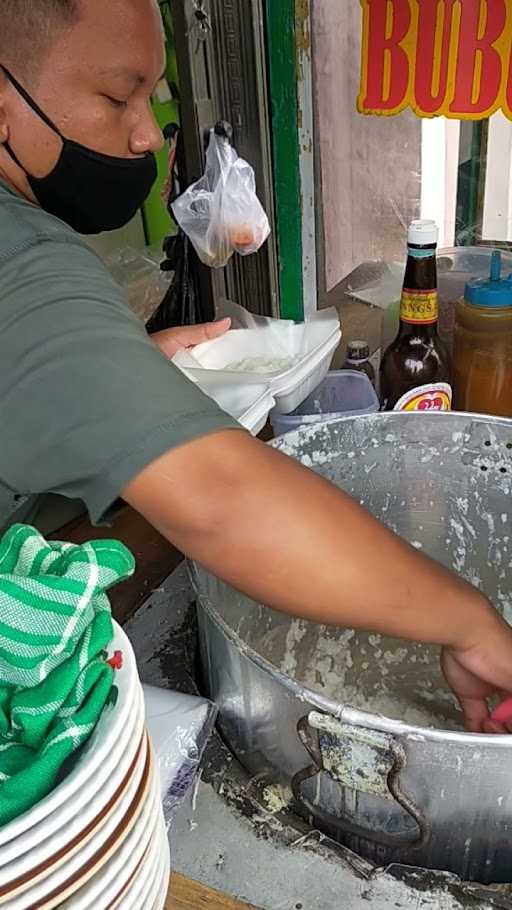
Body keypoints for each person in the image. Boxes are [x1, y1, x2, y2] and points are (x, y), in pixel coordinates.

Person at [0, 0, 510, 736]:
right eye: (117, 96)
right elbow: (223, 497)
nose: (148, 134)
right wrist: (470, 622)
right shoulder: (22, 260)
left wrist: (120, 370)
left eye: (153, 96)